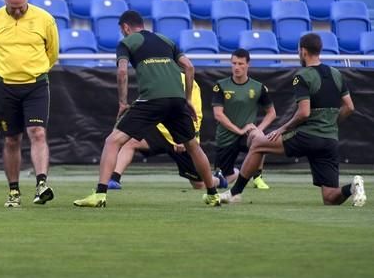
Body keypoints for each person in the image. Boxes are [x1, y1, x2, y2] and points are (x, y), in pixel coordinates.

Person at [74, 10, 221, 208]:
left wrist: (123, 102)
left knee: (112, 141)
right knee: (193, 146)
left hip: (152, 100)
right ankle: (213, 194)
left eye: (122, 30)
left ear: (125, 27)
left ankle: (100, 194)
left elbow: (122, 71)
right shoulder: (166, 40)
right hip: (177, 100)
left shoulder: (126, 43)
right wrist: (187, 99)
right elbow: (189, 67)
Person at [220, 33, 366, 206]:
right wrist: (330, 123)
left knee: (258, 144)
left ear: (303, 51)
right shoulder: (337, 74)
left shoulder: (302, 76)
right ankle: (353, 188)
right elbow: (349, 107)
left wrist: (282, 129)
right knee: (330, 197)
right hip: (329, 140)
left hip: (308, 136)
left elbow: (303, 113)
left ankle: (234, 193)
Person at [0, 0, 59, 208]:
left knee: (37, 132)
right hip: (5, 86)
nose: (17, 11)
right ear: (4, 2)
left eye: (21, 7)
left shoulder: (45, 19)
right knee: (11, 139)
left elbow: (52, 52)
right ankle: (14, 191)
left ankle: (41, 184)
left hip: (35, 84)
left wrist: (35, 70)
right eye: (12, 8)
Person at [107, 74, 227, 191]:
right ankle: (114, 179)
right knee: (131, 141)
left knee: (199, 184)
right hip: (160, 130)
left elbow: (196, 113)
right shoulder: (157, 79)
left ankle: (217, 180)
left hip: (180, 135)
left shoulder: (188, 82)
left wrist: (188, 139)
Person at [211, 48, 276, 188]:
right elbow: (218, 114)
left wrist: (258, 128)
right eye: (234, 63)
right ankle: (234, 174)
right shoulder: (220, 86)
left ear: (248, 64)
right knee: (220, 182)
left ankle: (257, 177)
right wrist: (239, 130)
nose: (237, 67)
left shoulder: (258, 87)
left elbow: (272, 113)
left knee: (259, 138)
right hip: (226, 137)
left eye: (240, 64)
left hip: (247, 135)